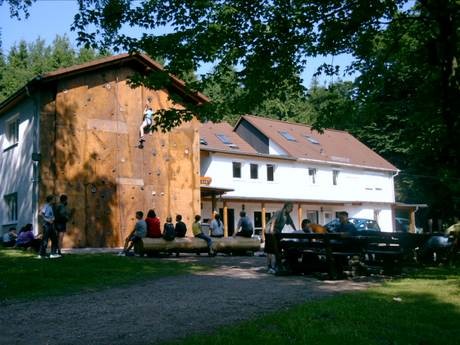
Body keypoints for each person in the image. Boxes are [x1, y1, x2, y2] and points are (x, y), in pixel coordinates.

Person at [265, 202, 296, 274]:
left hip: (277, 232)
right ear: (286, 207)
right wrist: (272, 231)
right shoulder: (279, 212)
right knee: (271, 250)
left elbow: (291, 223)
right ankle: (270, 267)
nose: (292, 209)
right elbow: (273, 221)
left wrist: (296, 230)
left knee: (277, 249)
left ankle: (275, 266)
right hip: (269, 231)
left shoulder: (287, 215)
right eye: (291, 207)